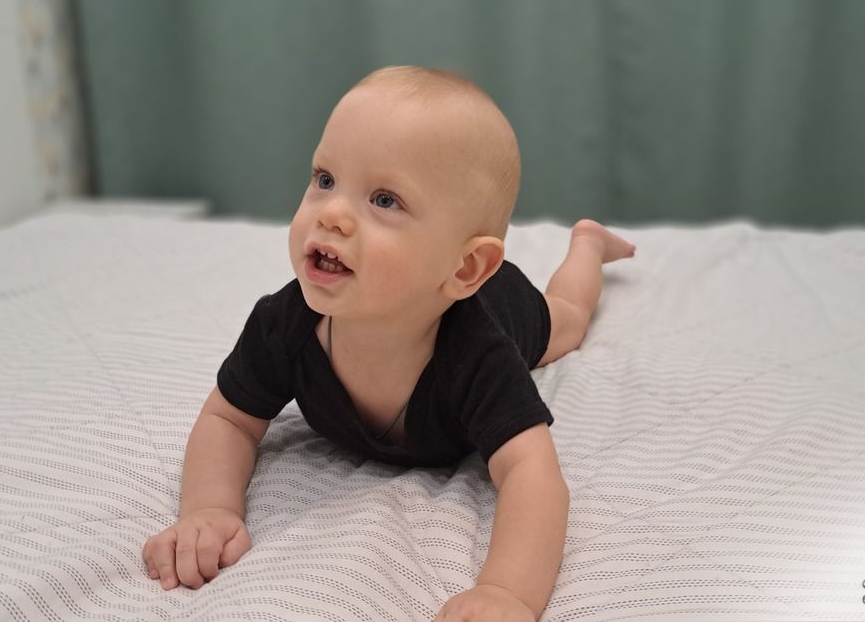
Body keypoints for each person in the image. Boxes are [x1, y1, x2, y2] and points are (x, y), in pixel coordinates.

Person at [143, 66, 635, 620]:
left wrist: (506, 592)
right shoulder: (283, 325)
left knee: (567, 319)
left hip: (505, 306)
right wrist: (209, 508)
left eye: (383, 199)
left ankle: (587, 246)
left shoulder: (480, 353)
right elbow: (229, 419)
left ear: (466, 267)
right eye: (325, 179)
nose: (331, 214)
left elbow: (533, 475)